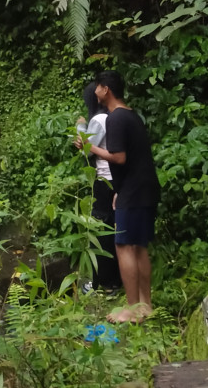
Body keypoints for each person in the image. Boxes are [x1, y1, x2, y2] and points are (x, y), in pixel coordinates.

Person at [75, 69, 160, 323]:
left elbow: (120, 157)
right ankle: (146, 305)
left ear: (105, 89)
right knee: (140, 247)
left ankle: (132, 310)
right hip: (142, 188)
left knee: (124, 246)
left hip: (134, 190)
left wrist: (91, 148)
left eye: (97, 86)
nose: (95, 91)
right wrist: (119, 192)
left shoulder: (114, 118)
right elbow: (135, 158)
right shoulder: (131, 115)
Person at [75, 80, 121, 294]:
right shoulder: (111, 116)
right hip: (114, 181)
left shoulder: (99, 119)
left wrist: (80, 126)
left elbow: (87, 150)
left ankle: (103, 282)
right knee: (110, 230)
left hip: (104, 180)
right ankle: (112, 281)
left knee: (99, 231)